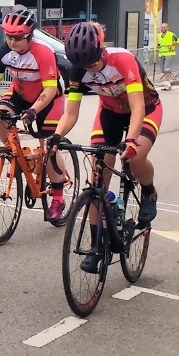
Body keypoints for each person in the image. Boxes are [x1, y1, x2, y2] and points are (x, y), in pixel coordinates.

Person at [51, 22, 161, 273]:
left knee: (135, 157)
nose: (89, 68)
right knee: (97, 181)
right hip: (109, 113)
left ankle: (149, 190)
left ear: (101, 49)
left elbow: (138, 107)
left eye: (93, 62)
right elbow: (71, 112)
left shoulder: (123, 60)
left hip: (145, 109)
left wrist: (131, 140)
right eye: (84, 65)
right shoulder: (78, 71)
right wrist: (56, 136)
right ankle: (95, 247)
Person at [0, 7, 68, 220]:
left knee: (50, 144)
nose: (13, 41)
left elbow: (50, 89)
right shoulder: (4, 52)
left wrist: (33, 111)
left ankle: (58, 196)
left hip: (49, 98)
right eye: (9, 36)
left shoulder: (43, 52)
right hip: (20, 92)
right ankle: (15, 154)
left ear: (30, 35)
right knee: (0, 113)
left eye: (18, 37)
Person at [156, 22, 179, 90]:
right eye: (162, 27)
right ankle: (168, 83)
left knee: (166, 68)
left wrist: (173, 43)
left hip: (169, 53)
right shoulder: (159, 35)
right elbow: (159, 43)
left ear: (167, 28)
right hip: (161, 54)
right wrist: (158, 46)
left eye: (164, 27)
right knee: (162, 69)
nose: (163, 28)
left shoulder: (171, 34)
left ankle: (167, 83)